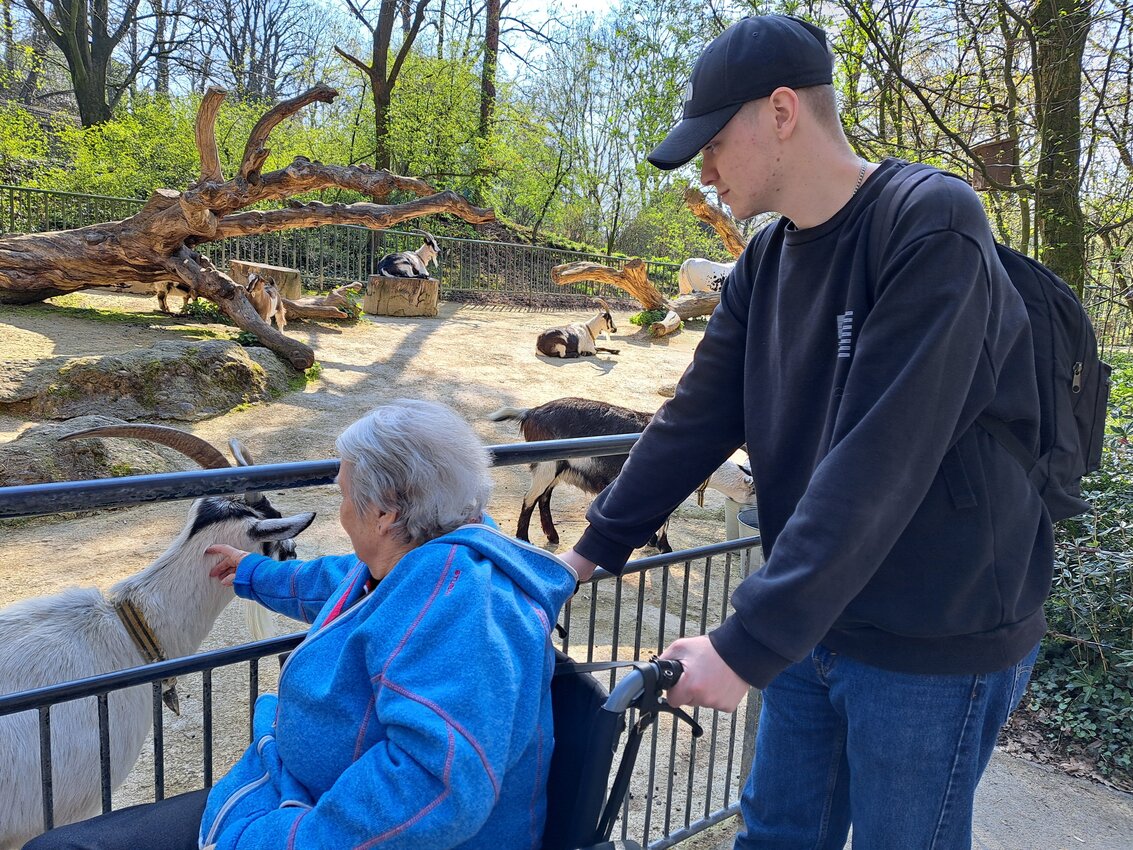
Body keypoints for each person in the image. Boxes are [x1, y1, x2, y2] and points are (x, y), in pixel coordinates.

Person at [559, 14, 1049, 850]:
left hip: (932, 628)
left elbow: (882, 454)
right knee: (776, 837)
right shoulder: (766, 259)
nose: (705, 170)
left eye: (714, 142)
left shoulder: (929, 222)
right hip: (812, 617)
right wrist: (580, 558)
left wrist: (746, 643)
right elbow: (695, 417)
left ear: (781, 112)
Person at [26, 398, 577, 850]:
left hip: (309, 820)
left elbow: (434, 787)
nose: (341, 511)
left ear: (385, 513)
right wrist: (252, 571)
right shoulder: (421, 553)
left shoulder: (462, 610)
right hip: (295, 786)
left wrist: (282, 838)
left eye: (344, 496)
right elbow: (339, 581)